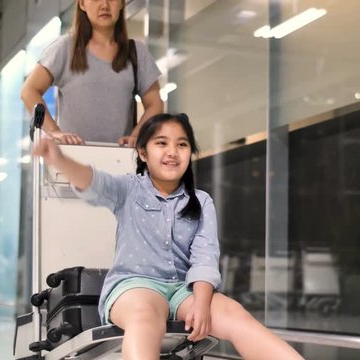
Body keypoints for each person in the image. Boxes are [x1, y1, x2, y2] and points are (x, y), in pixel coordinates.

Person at [32, 113, 305, 360]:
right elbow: (94, 183)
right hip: (134, 288)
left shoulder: (201, 201)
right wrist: (59, 159)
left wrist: (201, 303)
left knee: (235, 315)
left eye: (182, 145)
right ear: (143, 152)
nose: (172, 152)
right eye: (161, 143)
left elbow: (204, 256)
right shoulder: (128, 189)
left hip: (184, 291)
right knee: (146, 319)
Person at [21, 0, 163, 146]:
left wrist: (137, 135)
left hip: (121, 161)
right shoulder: (65, 48)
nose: (104, 5)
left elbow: (155, 104)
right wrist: (54, 131)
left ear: (121, 3)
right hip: (72, 159)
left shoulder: (137, 52)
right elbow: (29, 91)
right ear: (82, 4)